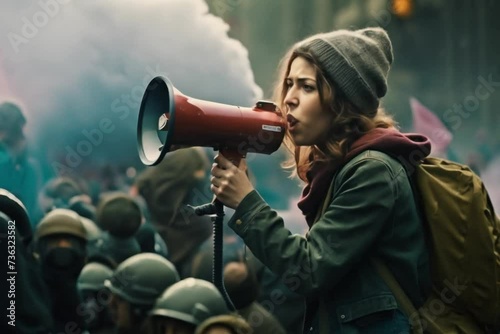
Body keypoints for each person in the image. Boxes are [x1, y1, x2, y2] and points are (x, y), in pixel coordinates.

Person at [209, 27, 432, 332]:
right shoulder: (343, 169)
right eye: (289, 84)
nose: (288, 99)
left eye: (307, 87)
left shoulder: (372, 172)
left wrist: (247, 204)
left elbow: (308, 270)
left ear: (343, 101)